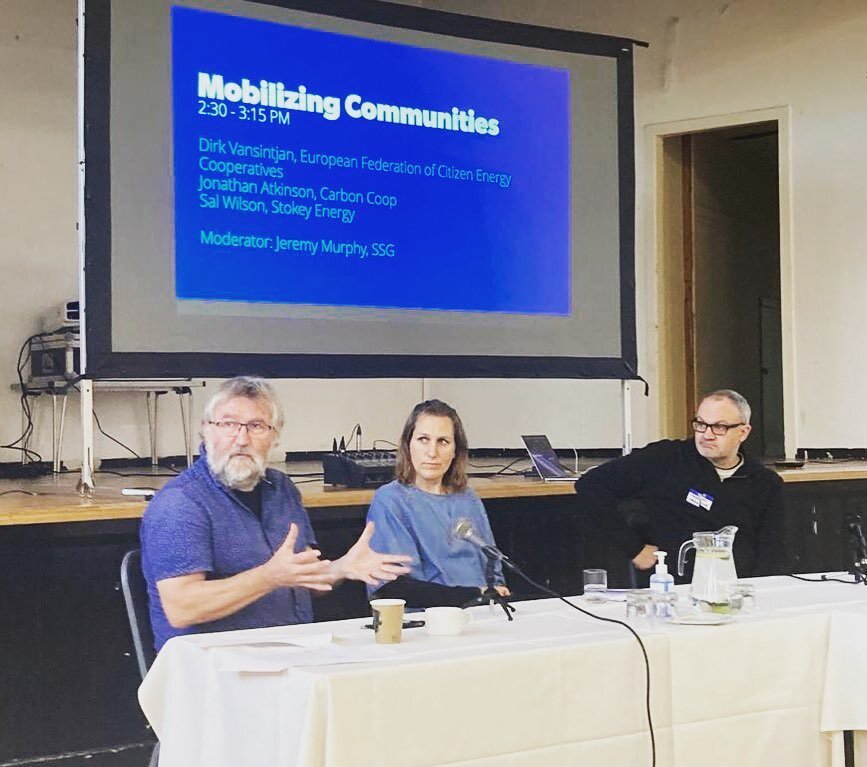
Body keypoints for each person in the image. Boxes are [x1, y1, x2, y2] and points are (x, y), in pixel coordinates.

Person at [141, 376, 411, 651]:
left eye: (256, 426)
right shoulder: (180, 503)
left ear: (275, 436)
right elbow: (182, 608)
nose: (242, 439)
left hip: (291, 653)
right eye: (229, 424)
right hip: (212, 671)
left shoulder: (281, 489)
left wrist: (341, 567)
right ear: (206, 431)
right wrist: (270, 576)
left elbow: (301, 578)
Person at [575, 389, 788, 583]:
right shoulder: (667, 458)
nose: (707, 434)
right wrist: (634, 548)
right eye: (701, 424)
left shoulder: (765, 483)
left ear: (743, 432)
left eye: (719, 427)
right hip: (674, 587)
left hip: (737, 587)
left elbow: (773, 551)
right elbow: (591, 485)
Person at [366, 399, 511, 608]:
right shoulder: (390, 500)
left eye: (443, 441)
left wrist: (495, 593)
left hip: (481, 614)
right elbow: (393, 587)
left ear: (455, 451)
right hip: (426, 623)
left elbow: (492, 567)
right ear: (408, 445)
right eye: (423, 439)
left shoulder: (469, 498)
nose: (432, 452)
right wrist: (474, 595)